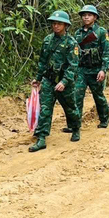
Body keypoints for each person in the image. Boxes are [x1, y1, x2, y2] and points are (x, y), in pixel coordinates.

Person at [30, 11, 82, 152]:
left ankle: (76, 128)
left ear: (65, 25)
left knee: (70, 107)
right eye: (54, 23)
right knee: (45, 108)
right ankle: (41, 138)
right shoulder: (47, 40)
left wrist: (64, 81)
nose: (56, 26)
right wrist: (39, 78)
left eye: (59, 23)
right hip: (49, 80)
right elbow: (43, 61)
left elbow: (73, 66)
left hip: (65, 82)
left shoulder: (72, 43)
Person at [73, 5, 109, 129]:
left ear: (94, 17)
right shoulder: (77, 33)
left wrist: (103, 70)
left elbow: (106, 52)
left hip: (96, 69)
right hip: (82, 70)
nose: (86, 17)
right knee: (77, 96)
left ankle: (104, 119)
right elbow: (74, 53)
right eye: (84, 15)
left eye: (89, 15)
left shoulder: (101, 32)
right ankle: (75, 124)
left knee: (98, 96)